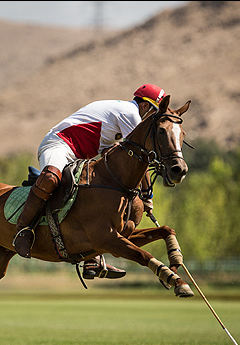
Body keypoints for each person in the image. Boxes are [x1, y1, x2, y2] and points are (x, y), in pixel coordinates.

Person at [13, 84, 166, 278]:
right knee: (51, 178)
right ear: (145, 106)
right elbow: (140, 155)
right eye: (152, 113)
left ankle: (92, 259)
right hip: (59, 144)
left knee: (92, 199)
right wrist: (147, 197)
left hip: (79, 158)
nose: (150, 119)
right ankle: (23, 230)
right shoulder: (131, 114)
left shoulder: (120, 118)